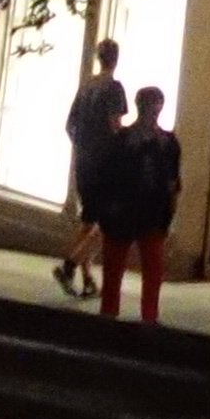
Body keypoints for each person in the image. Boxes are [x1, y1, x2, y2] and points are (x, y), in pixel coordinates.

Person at [88, 83, 186, 323]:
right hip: (128, 211)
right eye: (150, 106)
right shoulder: (135, 141)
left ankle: (134, 317)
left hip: (143, 212)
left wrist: (169, 210)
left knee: (145, 270)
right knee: (125, 269)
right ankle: (127, 317)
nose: (152, 111)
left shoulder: (161, 142)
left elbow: (172, 182)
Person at [57, 40, 129, 299]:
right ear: (116, 59)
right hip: (104, 165)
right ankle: (70, 264)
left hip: (84, 164)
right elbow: (115, 124)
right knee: (107, 223)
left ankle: (88, 280)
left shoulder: (87, 86)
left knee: (89, 221)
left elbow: (70, 125)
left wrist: (83, 146)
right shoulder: (114, 88)